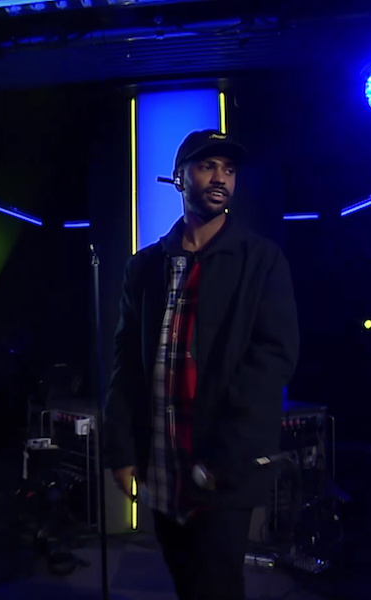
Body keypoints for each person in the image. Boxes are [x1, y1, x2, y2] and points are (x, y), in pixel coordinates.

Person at [103, 130, 300, 599]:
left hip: (221, 465)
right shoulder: (144, 267)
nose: (220, 178)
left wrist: (225, 455)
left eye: (229, 170)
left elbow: (273, 359)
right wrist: (122, 450)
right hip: (161, 462)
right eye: (207, 166)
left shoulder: (261, 259)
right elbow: (126, 364)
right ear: (178, 177)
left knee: (218, 585)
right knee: (184, 578)